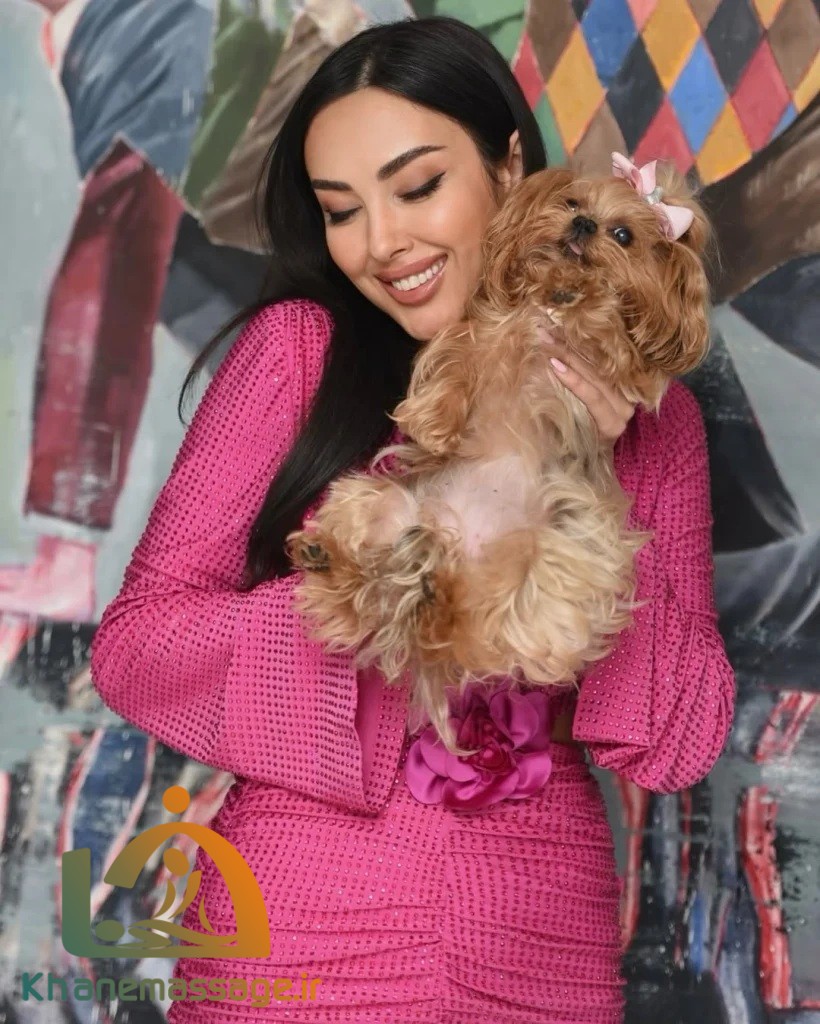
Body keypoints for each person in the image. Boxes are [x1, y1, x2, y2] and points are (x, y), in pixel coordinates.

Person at [90, 16, 736, 1023]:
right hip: (296, 934)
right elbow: (136, 646)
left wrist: (599, 473)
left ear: (509, 165)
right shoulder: (298, 353)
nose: (381, 243)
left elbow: (678, 742)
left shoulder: (655, 421)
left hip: (540, 942)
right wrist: (377, 601)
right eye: (341, 210)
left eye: (418, 186)